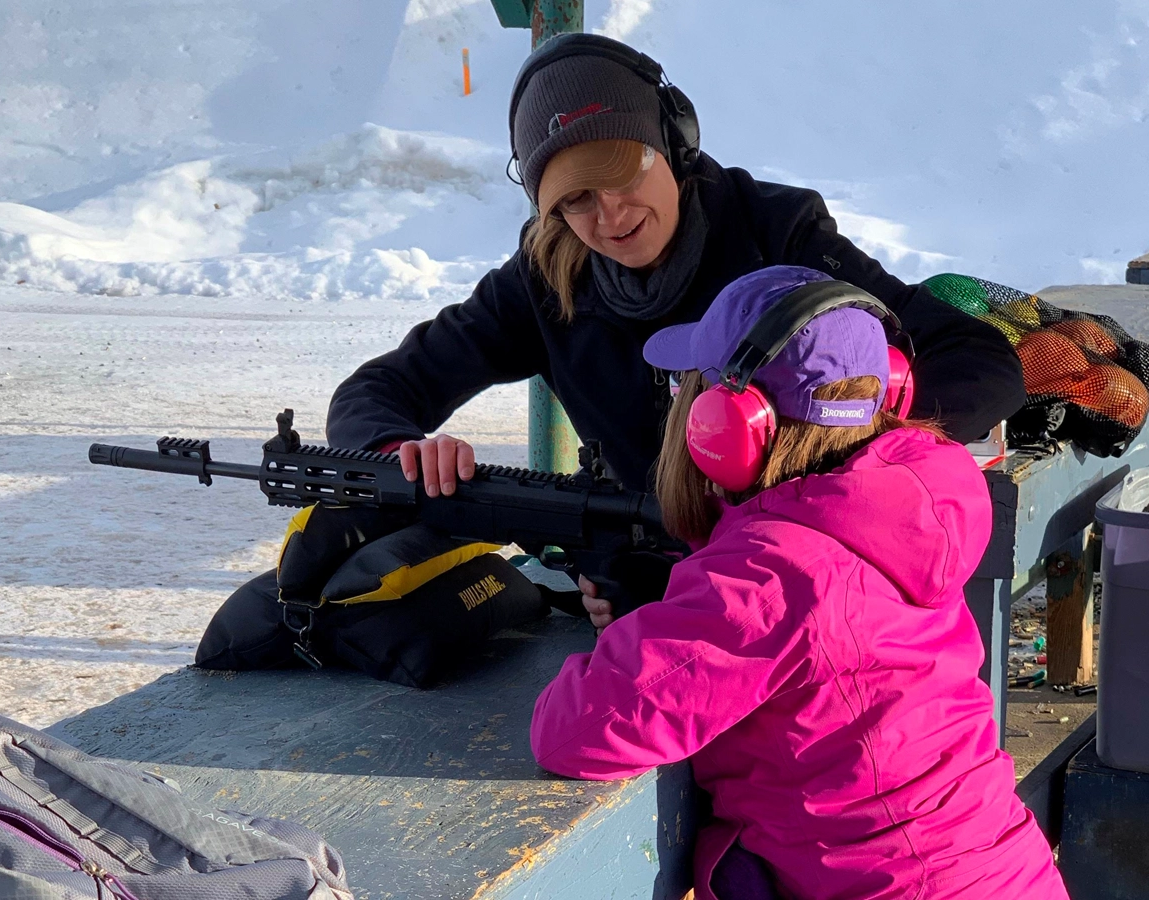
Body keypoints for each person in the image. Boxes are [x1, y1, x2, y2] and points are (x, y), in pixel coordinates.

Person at [322, 32, 1024, 623]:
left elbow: (978, 363)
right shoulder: (544, 278)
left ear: (674, 144)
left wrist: (826, 453)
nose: (610, 215)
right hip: (648, 586)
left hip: (808, 565)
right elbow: (376, 391)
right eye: (576, 200)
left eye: (624, 173)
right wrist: (402, 452)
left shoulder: (778, 234)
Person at [529, 265, 1067, 900]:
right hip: (998, 871)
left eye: (687, 389)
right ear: (891, 392)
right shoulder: (909, 511)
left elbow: (576, 731)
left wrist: (644, 626)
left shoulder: (772, 577)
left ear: (733, 423)